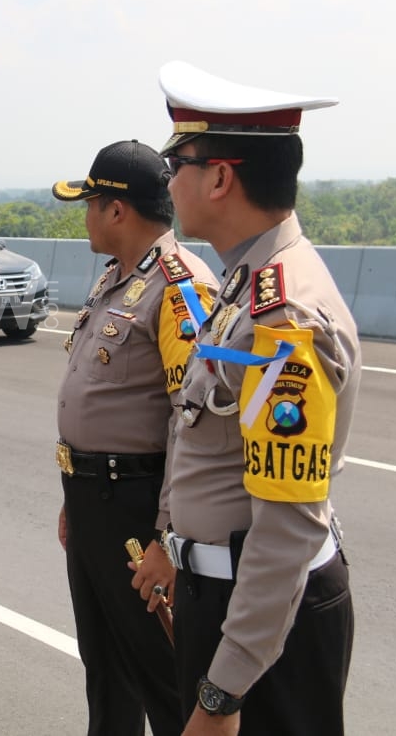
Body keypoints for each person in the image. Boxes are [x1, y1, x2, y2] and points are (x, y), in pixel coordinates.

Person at [154, 61, 359, 735]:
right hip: (228, 597)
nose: (169, 178)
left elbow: (290, 525)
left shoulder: (285, 314)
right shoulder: (246, 283)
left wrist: (223, 692)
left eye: (176, 159)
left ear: (219, 176)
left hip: (271, 623)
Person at [51, 140, 217, 736]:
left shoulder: (179, 288)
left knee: (161, 674)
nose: (87, 214)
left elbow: (191, 424)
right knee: (106, 668)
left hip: (139, 510)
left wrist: (165, 541)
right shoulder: (118, 278)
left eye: (90, 202)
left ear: (116, 210)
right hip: (95, 501)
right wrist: (75, 499)